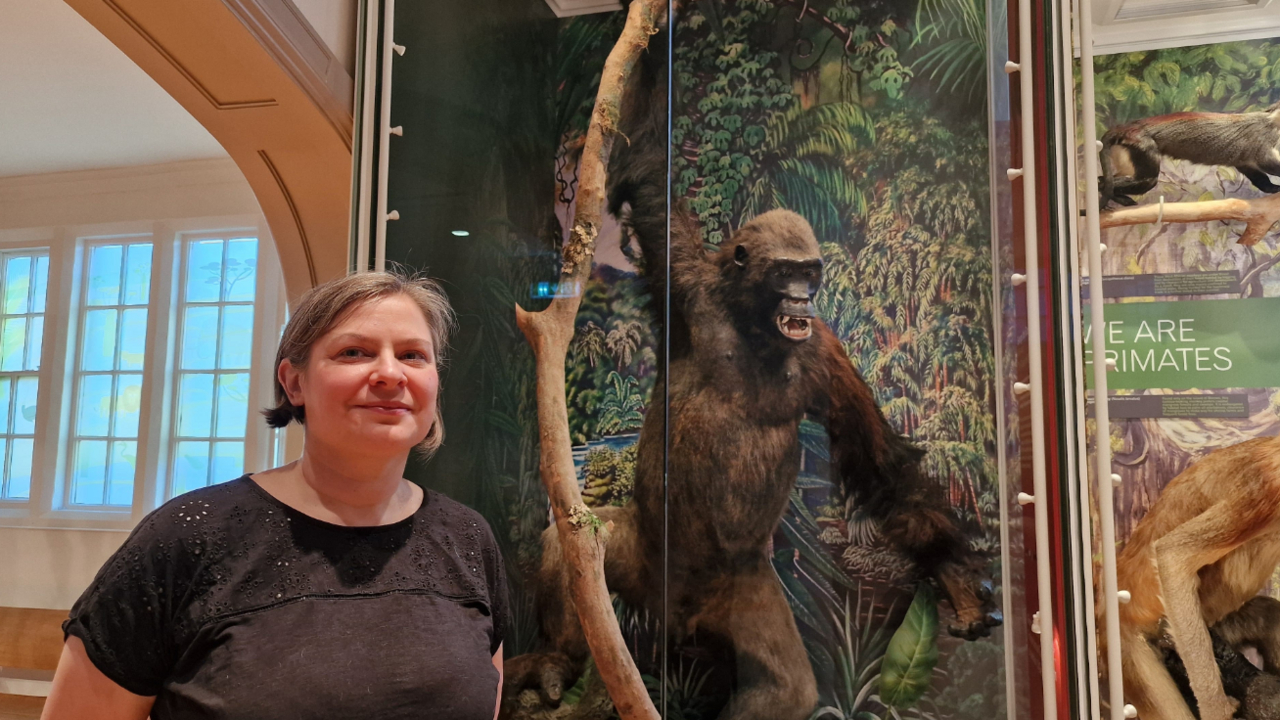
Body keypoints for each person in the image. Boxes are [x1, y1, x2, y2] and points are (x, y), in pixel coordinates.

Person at [42, 270, 509, 720]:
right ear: (294, 383)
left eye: (412, 355)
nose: (390, 373)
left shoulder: (468, 538)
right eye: (354, 352)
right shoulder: (186, 537)